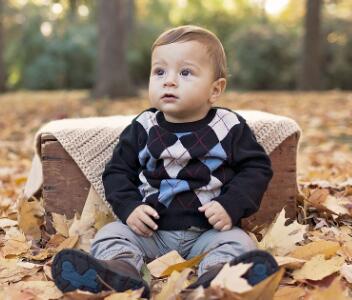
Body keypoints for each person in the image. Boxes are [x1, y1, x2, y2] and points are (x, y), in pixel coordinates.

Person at [51, 25, 278, 298]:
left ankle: (216, 277)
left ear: (215, 90)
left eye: (185, 72)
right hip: (151, 232)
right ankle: (121, 272)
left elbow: (256, 168)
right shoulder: (144, 126)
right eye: (159, 71)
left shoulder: (228, 126)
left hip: (209, 232)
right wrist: (130, 207)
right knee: (111, 234)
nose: (169, 81)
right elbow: (117, 171)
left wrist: (230, 205)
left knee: (238, 242)